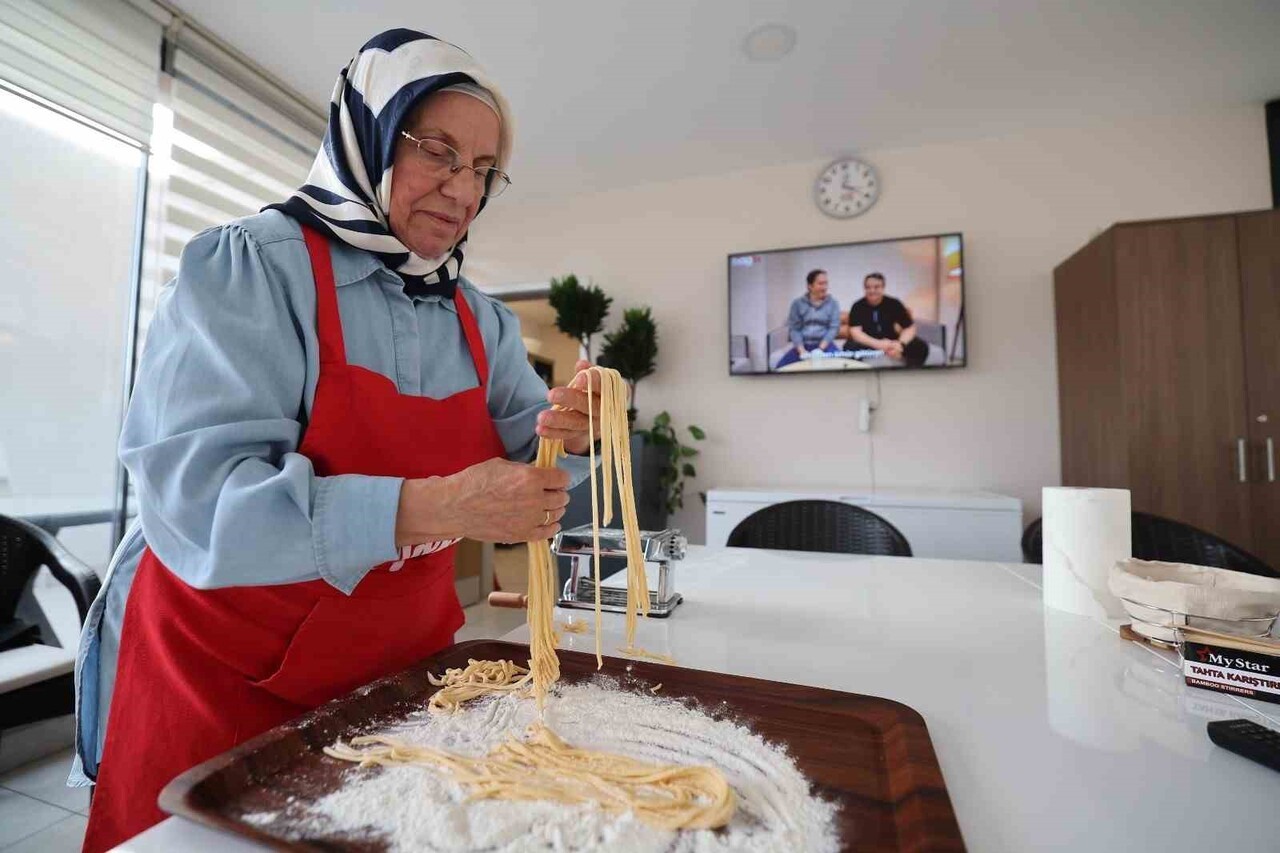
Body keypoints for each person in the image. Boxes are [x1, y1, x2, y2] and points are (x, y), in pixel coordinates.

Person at [72, 29, 605, 852]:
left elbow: (539, 466)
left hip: (402, 679)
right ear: (368, 136)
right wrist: (442, 504)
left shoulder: (483, 321)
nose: (463, 189)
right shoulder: (252, 268)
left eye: (483, 171)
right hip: (228, 683)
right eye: (438, 151)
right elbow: (199, 504)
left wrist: (575, 437)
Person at [844, 272, 929, 366]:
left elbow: (909, 327)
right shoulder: (857, 306)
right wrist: (879, 345)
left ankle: (910, 375)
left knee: (921, 347)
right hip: (869, 344)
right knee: (849, 348)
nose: (872, 291)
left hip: (892, 341)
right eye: (868, 287)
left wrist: (900, 345)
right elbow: (856, 333)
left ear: (883, 288)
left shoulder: (894, 304)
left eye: (876, 287)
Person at [774, 269, 840, 369]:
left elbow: (834, 328)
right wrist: (802, 351)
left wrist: (820, 349)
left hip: (825, 345)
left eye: (826, 283)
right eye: (820, 284)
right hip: (803, 346)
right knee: (780, 367)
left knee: (841, 366)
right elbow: (794, 329)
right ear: (810, 286)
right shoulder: (797, 304)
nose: (825, 287)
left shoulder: (833, 303)